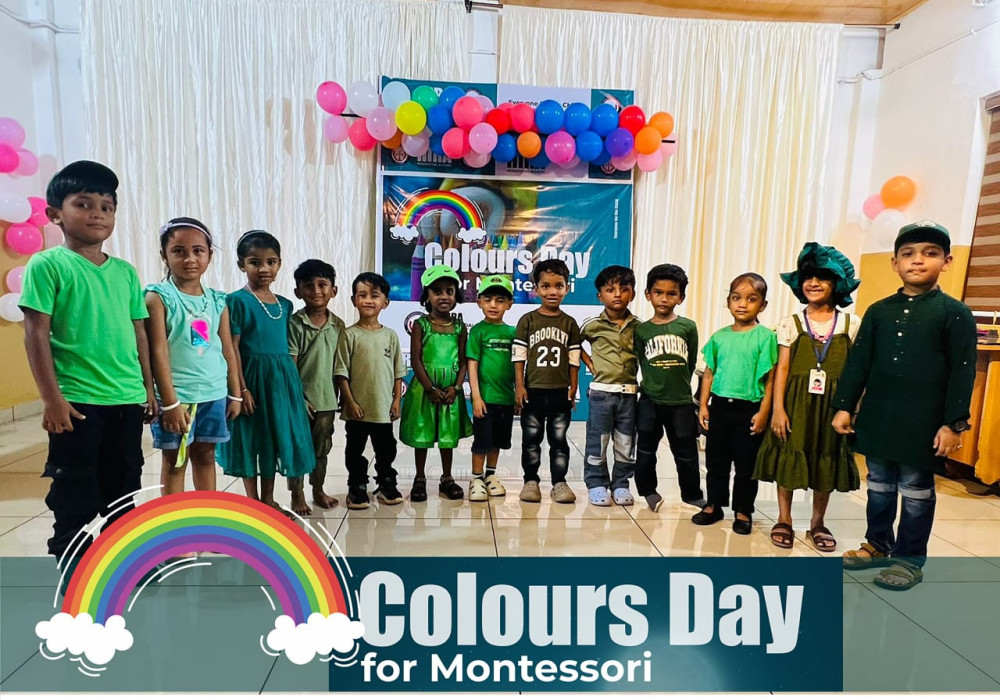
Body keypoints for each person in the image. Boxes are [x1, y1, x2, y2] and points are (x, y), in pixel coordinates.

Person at [19, 161, 157, 563]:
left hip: (125, 399)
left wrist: (147, 388)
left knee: (124, 489)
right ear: (55, 214)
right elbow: (35, 334)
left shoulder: (126, 273)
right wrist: (52, 399)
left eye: (107, 206)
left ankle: (121, 563)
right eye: (83, 204)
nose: (98, 213)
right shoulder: (48, 265)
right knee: (75, 492)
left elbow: (139, 333)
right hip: (76, 402)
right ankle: (74, 566)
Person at [833, 221, 976, 591]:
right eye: (908, 254)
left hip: (923, 423)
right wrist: (844, 405)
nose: (918, 260)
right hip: (879, 417)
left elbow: (962, 372)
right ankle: (877, 545)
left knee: (915, 490)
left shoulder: (954, 313)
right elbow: (859, 363)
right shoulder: (878, 311)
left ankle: (909, 559)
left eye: (930, 253)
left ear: (947, 261)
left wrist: (953, 423)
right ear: (894, 263)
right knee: (878, 485)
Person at [754, 243, 862, 550]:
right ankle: (784, 518)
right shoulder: (790, 323)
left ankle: (817, 522)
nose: (813, 283)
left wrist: (852, 408)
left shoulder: (851, 324)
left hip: (832, 406)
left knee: (826, 456)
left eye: (822, 277)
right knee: (790, 453)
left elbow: (857, 371)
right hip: (795, 404)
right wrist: (778, 409)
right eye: (808, 277)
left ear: (837, 283)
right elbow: (782, 369)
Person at [216, 230, 314, 511]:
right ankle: (254, 501)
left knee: (273, 437)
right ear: (241, 265)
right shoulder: (236, 301)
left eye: (271, 262)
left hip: (280, 381)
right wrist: (241, 389)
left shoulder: (285, 304)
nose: (263, 269)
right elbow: (232, 348)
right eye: (254, 262)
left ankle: (269, 499)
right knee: (251, 438)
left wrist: (295, 389)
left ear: (279, 263)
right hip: (251, 378)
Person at [145, 217, 242, 497]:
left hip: (214, 393)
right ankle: (174, 517)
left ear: (210, 255)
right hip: (177, 397)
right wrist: (170, 402)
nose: (190, 259)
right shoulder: (158, 298)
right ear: (164, 255)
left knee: (206, 456)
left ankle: (205, 513)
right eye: (179, 251)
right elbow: (157, 351)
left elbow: (227, 349)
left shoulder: (217, 301)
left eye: (198, 251)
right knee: (175, 461)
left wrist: (235, 393)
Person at [695, 273, 778, 534]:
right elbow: (709, 373)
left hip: (749, 409)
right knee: (716, 461)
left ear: (762, 305)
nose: (742, 304)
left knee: (746, 464)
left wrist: (764, 412)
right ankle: (714, 504)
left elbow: (770, 379)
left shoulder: (765, 337)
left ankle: (743, 510)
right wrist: (704, 405)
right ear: (728, 301)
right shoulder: (719, 337)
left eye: (751, 299)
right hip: (720, 406)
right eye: (736, 298)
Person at [633, 264, 705, 512]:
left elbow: (691, 361)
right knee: (645, 450)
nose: (664, 298)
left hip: (680, 402)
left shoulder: (688, 327)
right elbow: (641, 360)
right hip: (650, 400)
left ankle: (692, 494)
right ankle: (648, 490)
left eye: (671, 293)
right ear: (648, 294)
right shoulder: (642, 330)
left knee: (686, 452)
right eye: (658, 292)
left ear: (681, 297)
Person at [512, 258, 582, 504]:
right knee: (531, 439)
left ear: (566, 288)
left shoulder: (569, 323)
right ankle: (530, 481)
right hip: (533, 391)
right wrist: (519, 386)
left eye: (558, 286)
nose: (553, 291)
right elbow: (519, 357)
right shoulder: (528, 320)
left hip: (560, 392)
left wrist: (574, 387)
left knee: (559, 440)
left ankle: (559, 483)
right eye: (546, 286)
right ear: (536, 289)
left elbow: (574, 359)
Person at [400, 264, 473, 501]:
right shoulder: (421, 325)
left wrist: (457, 387)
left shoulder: (460, 327)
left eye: (449, 291)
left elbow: (463, 361)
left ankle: (447, 477)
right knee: (422, 434)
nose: (444, 296)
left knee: (447, 435)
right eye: (437, 291)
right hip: (425, 389)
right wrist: (429, 388)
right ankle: (419, 477)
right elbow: (416, 360)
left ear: (456, 296)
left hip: (450, 390)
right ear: (427, 296)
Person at [335, 272, 407, 509]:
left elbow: (398, 372)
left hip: (382, 408)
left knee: (386, 448)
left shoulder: (391, 336)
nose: (368, 300)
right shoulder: (349, 335)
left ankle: (386, 482)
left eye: (374, 296)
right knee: (354, 449)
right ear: (353, 300)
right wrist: (350, 403)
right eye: (362, 295)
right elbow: (341, 373)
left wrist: (396, 401)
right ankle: (357, 485)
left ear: (385, 302)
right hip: (356, 410)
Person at [287, 259, 345, 514]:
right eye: (309, 286)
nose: (316, 291)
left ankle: (317, 489)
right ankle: (297, 493)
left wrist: (343, 396)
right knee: (298, 448)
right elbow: (290, 367)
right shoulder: (294, 324)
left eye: (323, 285)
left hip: (327, 401)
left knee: (322, 448)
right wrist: (299, 398)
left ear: (334, 290)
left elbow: (341, 366)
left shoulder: (338, 325)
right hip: (299, 401)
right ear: (298, 291)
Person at [580, 265, 640, 507]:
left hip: (629, 395)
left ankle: (621, 484)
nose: (617, 294)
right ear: (599, 295)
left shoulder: (639, 326)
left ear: (633, 293)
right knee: (599, 440)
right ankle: (596, 483)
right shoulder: (592, 324)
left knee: (626, 442)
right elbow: (573, 343)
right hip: (601, 395)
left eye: (624, 289)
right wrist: (589, 362)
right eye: (610, 289)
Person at [466, 274, 516, 502]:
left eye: (500, 300)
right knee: (482, 441)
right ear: (479, 302)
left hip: (506, 398)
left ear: (509, 304)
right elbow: (472, 364)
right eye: (488, 300)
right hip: (485, 399)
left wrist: (518, 393)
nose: (493, 305)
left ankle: (490, 475)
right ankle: (476, 478)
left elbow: (518, 365)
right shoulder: (478, 331)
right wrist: (476, 397)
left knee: (498, 441)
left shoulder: (513, 332)